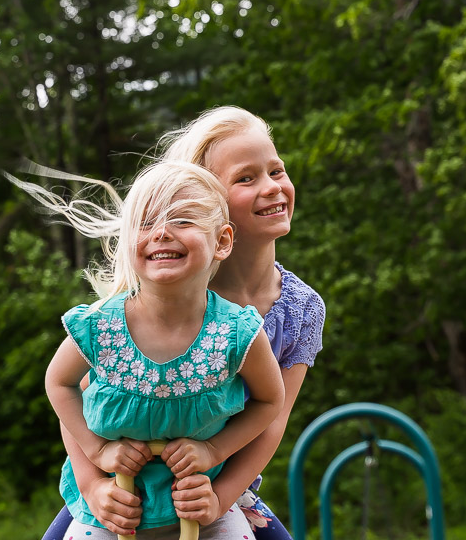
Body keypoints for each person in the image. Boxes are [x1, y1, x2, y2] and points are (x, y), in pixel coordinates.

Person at [41, 106, 326, 540]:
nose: (272, 187)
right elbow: (79, 397)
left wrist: (221, 497)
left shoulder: (300, 308)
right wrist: (91, 485)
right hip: (119, 490)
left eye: (276, 171)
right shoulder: (165, 286)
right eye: (246, 178)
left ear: (220, 237)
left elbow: (272, 420)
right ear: (203, 195)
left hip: (216, 488)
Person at [13, 160, 286, 539]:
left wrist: (213, 453)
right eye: (145, 223)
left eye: (181, 220)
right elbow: (60, 385)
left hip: (204, 513)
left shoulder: (236, 334)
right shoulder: (100, 327)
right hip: (111, 513)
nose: (161, 233)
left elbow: (270, 401)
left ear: (222, 241)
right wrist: (95, 462)